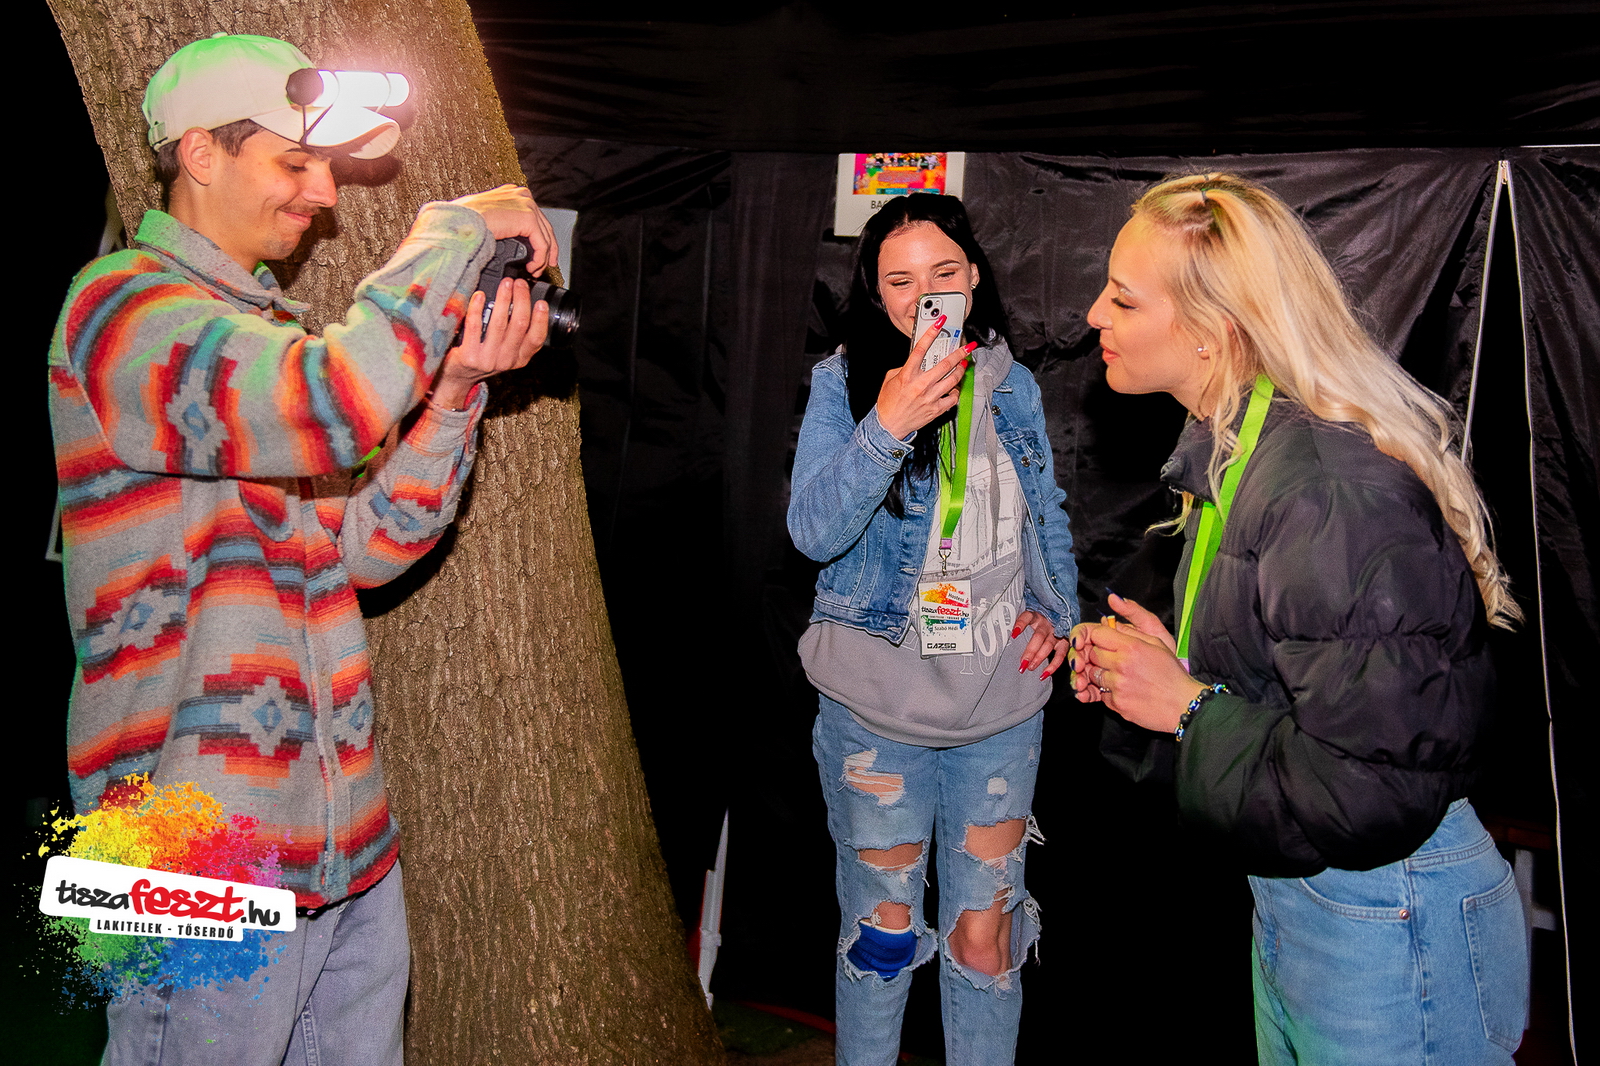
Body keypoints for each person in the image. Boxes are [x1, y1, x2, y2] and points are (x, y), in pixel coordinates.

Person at [49, 32, 556, 1066]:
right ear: (200, 153)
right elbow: (333, 404)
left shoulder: (264, 338)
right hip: (183, 849)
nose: (323, 195)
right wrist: (454, 228)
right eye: (295, 161)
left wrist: (452, 393)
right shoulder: (121, 309)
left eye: (324, 166)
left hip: (341, 844)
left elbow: (367, 548)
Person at [1071, 173, 1528, 1064]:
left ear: (1211, 331)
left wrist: (1189, 708)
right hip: (1314, 903)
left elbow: (1368, 786)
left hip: (1388, 916)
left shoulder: (1323, 487)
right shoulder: (1240, 453)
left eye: (1123, 298)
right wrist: (1173, 674)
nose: (1093, 315)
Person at [789, 194, 1079, 1066]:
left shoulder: (1013, 383)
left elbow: (1045, 513)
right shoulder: (846, 383)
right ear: (876, 294)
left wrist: (1057, 613)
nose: (925, 296)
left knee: (986, 941)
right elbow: (812, 531)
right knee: (882, 940)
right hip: (876, 713)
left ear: (974, 277)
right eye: (901, 281)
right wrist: (890, 424)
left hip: (1000, 711)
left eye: (943, 273)